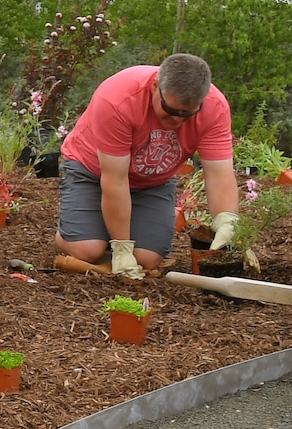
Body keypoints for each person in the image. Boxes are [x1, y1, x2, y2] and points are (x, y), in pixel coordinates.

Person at [56, 53, 238, 278]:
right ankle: (74, 234)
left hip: (153, 182)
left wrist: (227, 219)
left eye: (188, 114)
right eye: (171, 111)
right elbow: (115, 180)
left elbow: (219, 174)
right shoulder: (118, 99)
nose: (178, 121)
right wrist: (122, 247)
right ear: (155, 87)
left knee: (147, 259)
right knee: (88, 249)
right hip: (93, 171)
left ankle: (102, 230)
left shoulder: (215, 108)